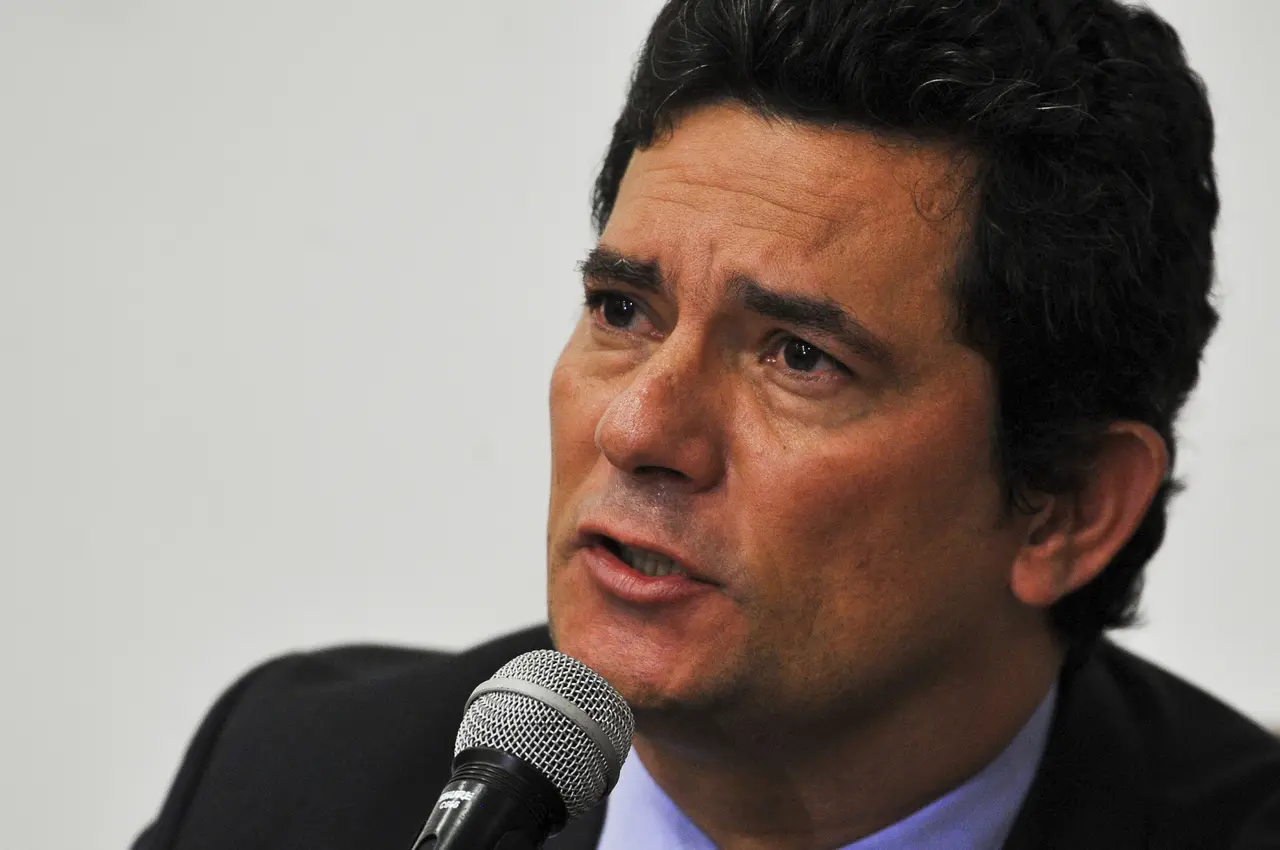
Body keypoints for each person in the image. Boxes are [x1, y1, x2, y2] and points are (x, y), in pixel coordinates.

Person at [133, 1, 1280, 848]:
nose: (638, 427)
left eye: (798, 358)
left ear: (1064, 505)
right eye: (621, 310)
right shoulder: (292, 782)